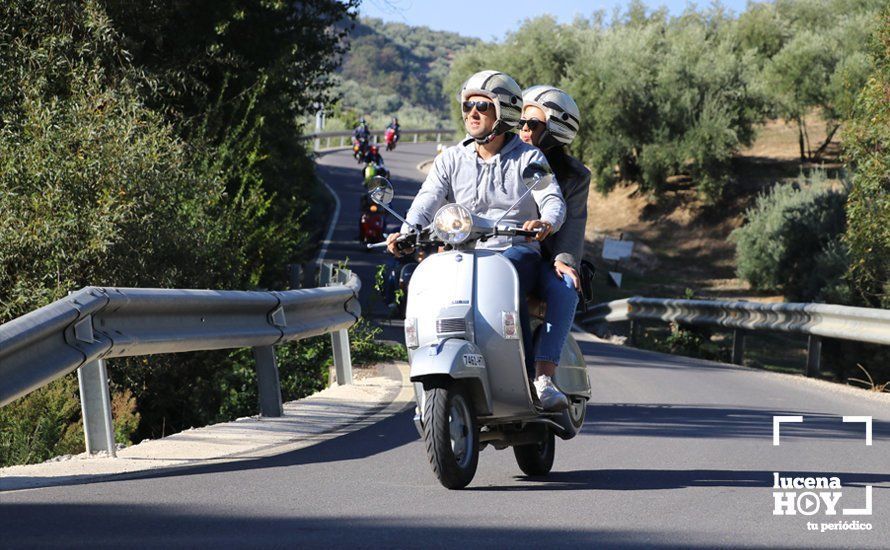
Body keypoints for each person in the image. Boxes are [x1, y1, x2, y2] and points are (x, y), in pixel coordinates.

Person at [385, 70, 569, 411]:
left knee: (520, 276)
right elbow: (428, 198)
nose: (472, 112)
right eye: (468, 105)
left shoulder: (529, 159)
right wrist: (408, 230)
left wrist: (545, 222)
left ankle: (539, 378)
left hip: (514, 252)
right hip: (461, 254)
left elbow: (552, 198)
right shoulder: (452, 159)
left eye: (482, 106)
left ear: (505, 113)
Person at [518, 85, 590, 410]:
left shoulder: (575, 176)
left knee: (565, 288)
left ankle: (543, 377)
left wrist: (564, 260)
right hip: (497, 253)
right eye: (520, 122)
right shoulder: (506, 157)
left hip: (544, 259)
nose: (522, 130)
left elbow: (573, 222)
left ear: (555, 129)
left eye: (532, 124)